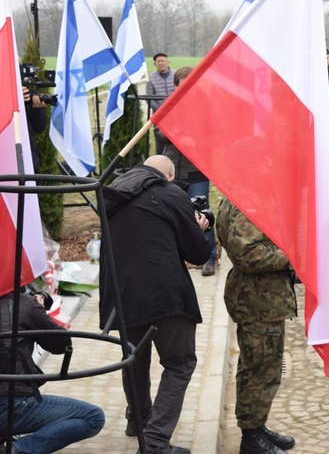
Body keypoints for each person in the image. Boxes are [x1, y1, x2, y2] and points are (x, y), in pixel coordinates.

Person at [100, 155, 211, 454]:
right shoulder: (171, 193)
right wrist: (199, 228)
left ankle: (138, 420)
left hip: (121, 299)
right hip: (165, 295)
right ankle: (156, 442)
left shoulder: (111, 192)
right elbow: (198, 254)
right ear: (170, 175)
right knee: (180, 363)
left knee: (134, 360)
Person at [216, 198, 296, 454]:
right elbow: (247, 254)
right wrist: (292, 255)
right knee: (259, 369)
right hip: (258, 299)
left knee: (265, 367)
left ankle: (257, 426)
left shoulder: (242, 196)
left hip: (263, 299)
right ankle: (251, 437)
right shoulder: (246, 202)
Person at [0, 292, 105, 453]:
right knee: (93, 417)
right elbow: (61, 344)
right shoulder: (23, 304)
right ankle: (16, 450)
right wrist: (38, 310)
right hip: (10, 402)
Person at [159, 66, 217, 277]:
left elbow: (214, 136)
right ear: (175, 87)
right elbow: (158, 134)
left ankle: (209, 258)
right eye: (182, 87)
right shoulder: (168, 106)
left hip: (197, 170)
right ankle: (176, 256)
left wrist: (196, 141)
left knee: (202, 212)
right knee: (173, 214)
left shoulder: (205, 107)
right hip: (173, 171)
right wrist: (175, 135)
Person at [146, 53, 175, 155]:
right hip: (159, 115)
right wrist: (160, 111)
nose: (161, 63)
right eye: (158, 61)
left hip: (175, 114)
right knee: (160, 140)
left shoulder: (176, 75)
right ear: (155, 64)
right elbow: (149, 98)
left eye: (163, 61)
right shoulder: (151, 78)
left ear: (168, 62)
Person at [22, 86, 48, 173]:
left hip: (28, 159)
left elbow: (39, 127)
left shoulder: (24, 91)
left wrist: (38, 109)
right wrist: (10, 99)